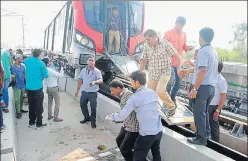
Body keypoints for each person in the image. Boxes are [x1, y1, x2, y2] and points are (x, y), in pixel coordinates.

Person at [105, 70, 163, 161]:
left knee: (137, 157)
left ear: (137, 82)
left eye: (132, 81)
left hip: (147, 133)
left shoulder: (134, 98)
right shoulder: (152, 92)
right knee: (156, 154)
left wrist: (111, 116)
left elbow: (121, 116)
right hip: (158, 130)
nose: (131, 83)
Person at [184, 27, 218, 145]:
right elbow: (202, 70)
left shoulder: (203, 51)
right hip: (211, 87)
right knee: (204, 113)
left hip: (202, 88)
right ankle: (206, 135)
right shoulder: (213, 51)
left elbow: (202, 71)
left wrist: (195, 88)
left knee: (199, 113)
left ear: (201, 37)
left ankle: (201, 138)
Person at [139, 29, 185, 117]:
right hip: (153, 73)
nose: (147, 42)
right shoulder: (146, 46)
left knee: (160, 90)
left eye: (148, 39)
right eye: (146, 40)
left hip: (165, 72)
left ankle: (171, 107)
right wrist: (139, 72)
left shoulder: (165, 44)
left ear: (156, 37)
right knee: (150, 93)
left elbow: (178, 56)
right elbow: (143, 59)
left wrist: (179, 69)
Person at [164, 16, 194, 106]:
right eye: (180, 25)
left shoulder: (184, 34)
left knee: (178, 81)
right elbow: (162, 47)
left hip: (179, 63)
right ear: (176, 23)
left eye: (182, 25)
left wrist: (188, 48)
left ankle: (172, 97)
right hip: (169, 62)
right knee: (170, 80)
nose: (181, 27)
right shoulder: (168, 33)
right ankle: (167, 98)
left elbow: (184, 46)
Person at [109, 80, 139, 161]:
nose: (111, 93)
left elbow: (127, 112)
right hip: (127, 124)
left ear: (118, 88)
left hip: (133, 127)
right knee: (119, 140)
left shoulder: (127, 95)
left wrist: (117, 118)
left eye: (112, 90)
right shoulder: (123, 95)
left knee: (124, 149)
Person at [75, 55, 103, 129]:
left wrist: (95, 82)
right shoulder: (83, 70)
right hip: (84, 92)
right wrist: (77, 90)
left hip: (93, 93)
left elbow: (101, 80)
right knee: (82, 105)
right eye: (89, 60)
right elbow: (80, 80)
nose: (91, 61)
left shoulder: (97, 71)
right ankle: (87, 117)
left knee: (93, 108)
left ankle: (93, 122)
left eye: (92, 60)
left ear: (94, 62)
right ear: (87, 62)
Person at [24, 49, 48, 129]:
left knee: (31, 105)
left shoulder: (27, 61)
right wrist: (40, 77)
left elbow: (25, 62)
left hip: (29, 88)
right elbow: (46, 75)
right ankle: (38, 124)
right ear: (39, 55)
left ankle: (31, 122)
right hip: (37, 88)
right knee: (38, 106)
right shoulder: (41, 64)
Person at [208, 62, 227, 142]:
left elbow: (223, 97)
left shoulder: (222, 81)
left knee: (214, 126)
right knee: (207, 124)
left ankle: (215, 144)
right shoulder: (212, 77)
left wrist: (217, 110)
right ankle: (208, 140)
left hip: (214, 107)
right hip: (209, 105)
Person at [11, 54, 28, 118]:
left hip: (23, 85)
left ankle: (20, 109)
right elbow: (12, 76)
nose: (22, 59)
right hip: (16, 86)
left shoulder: (23, 67)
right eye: (21, 58)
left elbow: (24, 76)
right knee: (17, 100)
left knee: (21, 99)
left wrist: (26, 84)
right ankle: (18, 112)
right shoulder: (12, 67)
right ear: (17, 59)